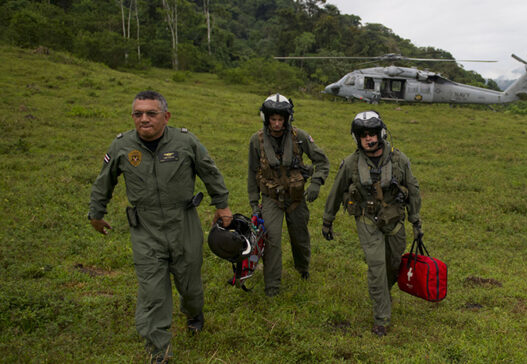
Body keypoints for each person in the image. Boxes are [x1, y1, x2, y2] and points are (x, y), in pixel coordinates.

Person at [88, 90, 232, 363]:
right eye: (138, 114)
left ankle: (193, 313)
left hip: (183, 222)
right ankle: (159, 352)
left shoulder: (185, 141)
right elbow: (103, 181)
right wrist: (96, 212)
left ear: (165, 117)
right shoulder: (121, 146)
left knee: (189, 285)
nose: (144, 119)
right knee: (152, 291)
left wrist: (222, 205)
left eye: (151, 114)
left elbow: (209, 172)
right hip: (146, 228)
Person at [321, 110, 422, 337]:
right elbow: (336, 193)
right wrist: (328, 220)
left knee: (394, 264)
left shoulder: (399, 160)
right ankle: (381, 318)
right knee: (376, 264)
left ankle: (382, 294)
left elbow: (413, 191)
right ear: (357, 138)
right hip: (367, 219)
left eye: (372, 133)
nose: (369, 139)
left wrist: (416, 221)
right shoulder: (351, 163)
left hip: (395, 219)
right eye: (363, 135)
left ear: (381, 133)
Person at [248, 93, 329, 297]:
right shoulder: (256, 141)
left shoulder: (299, 137)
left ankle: (303, 270)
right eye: (273, 119)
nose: (276, 124)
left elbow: (322, 161)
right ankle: (272, 287)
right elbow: (252, 171)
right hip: (271, 198)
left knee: (300, 237)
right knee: (272, 240)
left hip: (296, 198)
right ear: (266, 118)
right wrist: (253, 202)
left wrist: (316, 183)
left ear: (287, 119)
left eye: (280, 120)